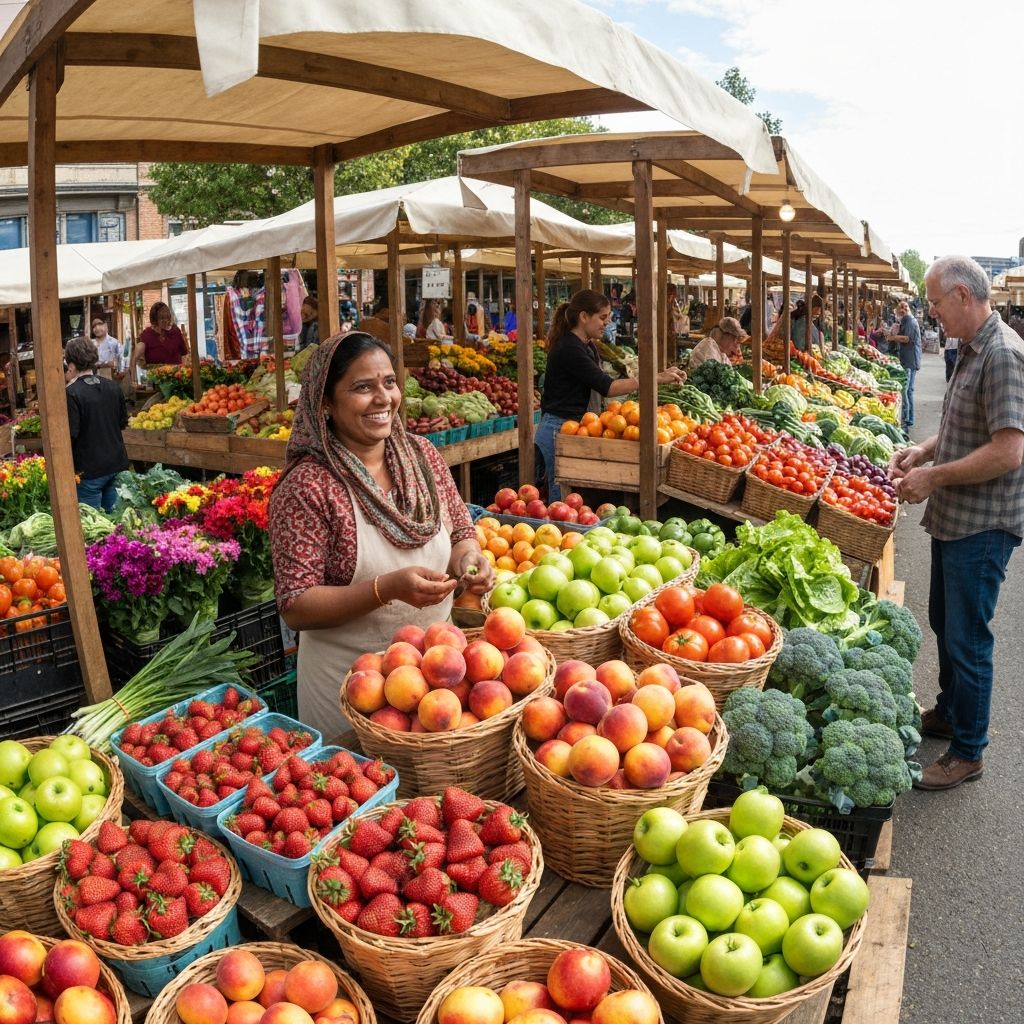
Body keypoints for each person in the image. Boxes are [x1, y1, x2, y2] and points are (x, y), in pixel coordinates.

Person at [269, 332, 493, 738]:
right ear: (325, 403)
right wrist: (384, 588)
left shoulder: (422, 456)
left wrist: (468, 559)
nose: (383, 398)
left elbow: (461, 530)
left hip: (438, 683)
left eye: (389, 383)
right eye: (362, 387)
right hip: (351, 691)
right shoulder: (308, 486)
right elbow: (296, 604)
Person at [891, 255, 1024, 791]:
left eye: (936, 301)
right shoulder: (971, 349)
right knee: (948, 625)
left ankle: (969, 751)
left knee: (968, 639)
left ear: (963, 297)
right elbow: (963, 427)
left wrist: (935, 477)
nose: (932, 311)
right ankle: (949, 713)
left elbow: (1008, 451)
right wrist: (923, 452)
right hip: (957, 520)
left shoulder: (1003, 355)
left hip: (983, 524)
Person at [536, 289, 686, 501]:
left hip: (575, 427)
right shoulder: (570, 348)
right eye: (603, 317)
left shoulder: (587, 346)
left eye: (609, 318)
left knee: (572, 498)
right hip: (557, 429)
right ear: (584, 316)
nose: (607, 323)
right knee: (559, 497)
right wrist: (655, 379)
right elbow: (607, 387)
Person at [64, 336, 129, 513]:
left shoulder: (71, 393)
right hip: (117, 464)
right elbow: (123, 423)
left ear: (71, 365)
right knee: (117, 525)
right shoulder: (113, 387)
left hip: (89, 472)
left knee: (92, 529)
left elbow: (71, 434)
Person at [130, 301, 187, 382]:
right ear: (154, 319)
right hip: (156, 380)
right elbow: (135, 359)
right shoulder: (146, 335)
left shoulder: (175, 331)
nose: (166, 320)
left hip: (176, 378)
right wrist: (133, 379)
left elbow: (184, 354)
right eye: (162, 318)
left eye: (167, 317)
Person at [889, 300, 922, 429]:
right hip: (909, 358)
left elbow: (906, 338)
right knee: (908, 390)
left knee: (907, 390)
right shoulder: (906, 321)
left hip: (910, 359)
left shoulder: (910, 321)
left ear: (902, 312)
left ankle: (907, 418)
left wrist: (892, 338)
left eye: (898, 313)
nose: (897, 316)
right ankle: (909, 418)